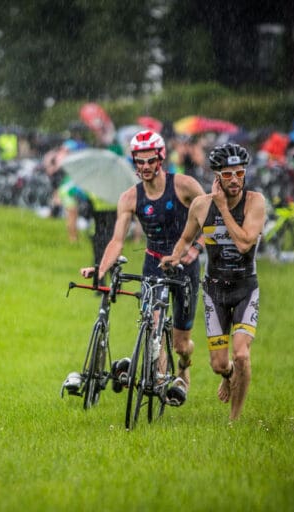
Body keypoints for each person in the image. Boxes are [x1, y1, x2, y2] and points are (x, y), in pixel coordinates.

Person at [69, 130, 206, 406]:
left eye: (150, 160)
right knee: (153, 322)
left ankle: (184, 365)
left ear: (161, 158)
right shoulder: (130, 198)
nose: (144, 167)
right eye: (139, 161)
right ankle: (157, 378)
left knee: (181, 343)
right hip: (154, 263)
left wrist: (194, 249)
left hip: (185, 268)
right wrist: (100, 269)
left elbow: (210, 219)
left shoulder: (184, 185)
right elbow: (116, 241)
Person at [160, 143, 266, 421]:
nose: (235, 180)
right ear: (217, 175)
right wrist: (174, 257)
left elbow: (244, 243)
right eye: (228, 174)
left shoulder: (255, 202)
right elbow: (185, 238)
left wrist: (222, 207)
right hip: (214, 290)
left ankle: (234, 420)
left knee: (241, 354)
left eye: (240, 174)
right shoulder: (200, 205)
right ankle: (228, 376)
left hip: (245, 288)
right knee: (219, 363)